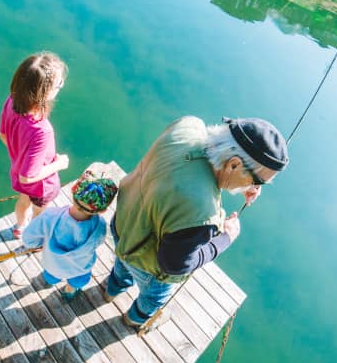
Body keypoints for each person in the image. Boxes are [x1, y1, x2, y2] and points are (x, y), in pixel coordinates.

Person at [105, 115, 289, 329]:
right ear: (234, 164)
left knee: (120, 270)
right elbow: (175, 266)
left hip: (122, 224)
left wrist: (245, 184)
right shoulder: (202, 214)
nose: (257, 188)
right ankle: (132, 320)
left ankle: (110, 292)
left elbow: (190, 177)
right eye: (258, 181)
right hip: (143, 261)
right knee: (153, 299)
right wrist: (225, 239)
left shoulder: (188, 126)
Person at [0, 52, 69, 239]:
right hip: (41, 186)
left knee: (23, 201)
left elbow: (3, 135)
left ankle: (20, 228)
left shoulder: (11, 101)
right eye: (59, 84)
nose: (61, 85)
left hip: (18, 170)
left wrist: (20, 155)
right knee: (40, 212)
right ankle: (35, 237)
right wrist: (60, 164)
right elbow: (28, 178)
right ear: (44, 93)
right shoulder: (41, 131)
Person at [21, 175, 118, 300]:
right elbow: (98, 243)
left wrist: (41, 242)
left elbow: (28, 239)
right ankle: (69, 291)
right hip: (79, 269)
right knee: (78, 281)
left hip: (52, 265)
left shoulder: (49, 216)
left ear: (73, 192)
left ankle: (51, 281)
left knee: (51, 276)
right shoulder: (100, 227)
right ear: (103, 210)